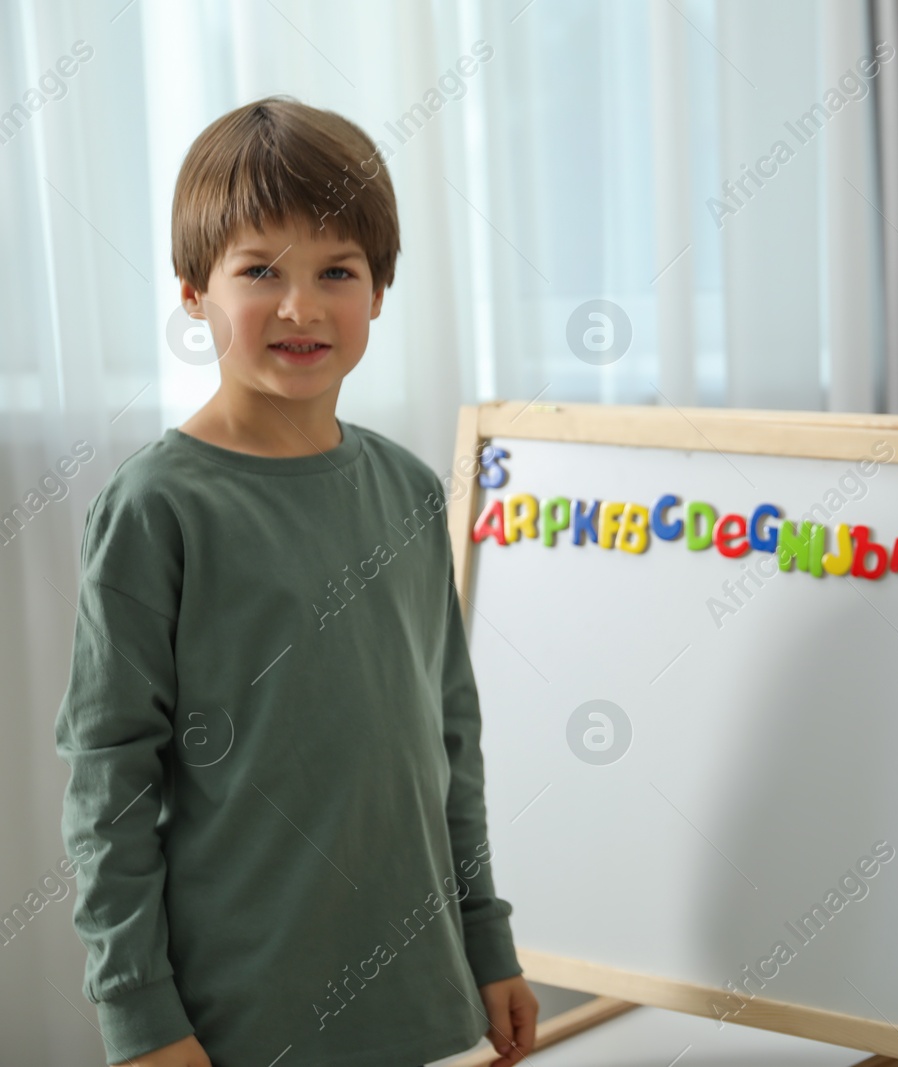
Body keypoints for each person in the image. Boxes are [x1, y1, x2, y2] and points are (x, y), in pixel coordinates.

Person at [54, 96, 538, 1067]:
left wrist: (485, 939)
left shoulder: (406, 487)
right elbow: (108, 781)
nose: (300, 307)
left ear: (380, 288)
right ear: (194, 290)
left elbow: (452, 740)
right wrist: (141, 1012)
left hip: (424, 1004)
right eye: (259, 270)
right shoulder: (157, 507)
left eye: (337, 271)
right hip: (237, 1019)